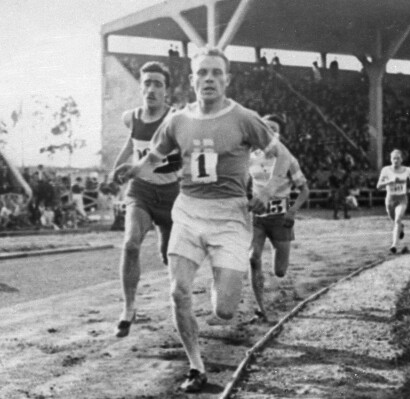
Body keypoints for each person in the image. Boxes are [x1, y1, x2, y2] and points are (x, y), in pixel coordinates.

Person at [116, 47, 292, 393]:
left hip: (229, 216)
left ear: (226, 79)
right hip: (189, 210)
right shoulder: (178, 120)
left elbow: (282, 155)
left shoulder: (243, 118)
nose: (209, 79)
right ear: (192, 79)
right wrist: (134, 168)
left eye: (216, 73)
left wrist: (269, 189)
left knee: (224, 311)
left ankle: (218, 274)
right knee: (178, 292)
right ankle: (196, 366)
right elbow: (155, 154)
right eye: (202, 73)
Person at [111, 61, 180, 339]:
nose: (151, 89)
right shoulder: (132, 117)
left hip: (170, 194)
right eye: (147, 83)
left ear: (166, 91)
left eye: (157, 84)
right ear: (141, 87)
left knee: (168, 255)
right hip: (140, 191)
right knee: (130, 244)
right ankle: (128, 309)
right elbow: (131, 142)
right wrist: (115, 170)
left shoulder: (176, 118)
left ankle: (180, 304)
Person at [248, 114, 310, 322]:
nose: (270, 132)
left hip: (281, 218)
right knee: (252, 258)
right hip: (258, 217)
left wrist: (292, 211)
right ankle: (260, 308)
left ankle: (281, 282)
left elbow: (304, 191)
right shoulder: (251, 157)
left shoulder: (289, 159)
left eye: (274, 129)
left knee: (280, 271)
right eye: (266, 128)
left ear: (279, 134)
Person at [376, 149, 410, 254]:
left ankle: (394, 245)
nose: (396, 160)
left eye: (398, 158)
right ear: (390, 159)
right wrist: (390, 181)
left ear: (401, 160)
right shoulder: (385, 170)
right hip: (390, 200)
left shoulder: (407, 170)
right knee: (394, 220)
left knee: (397, 220)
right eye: (394, 158)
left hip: (402, 199)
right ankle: (401, 227)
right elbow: (378, 186)